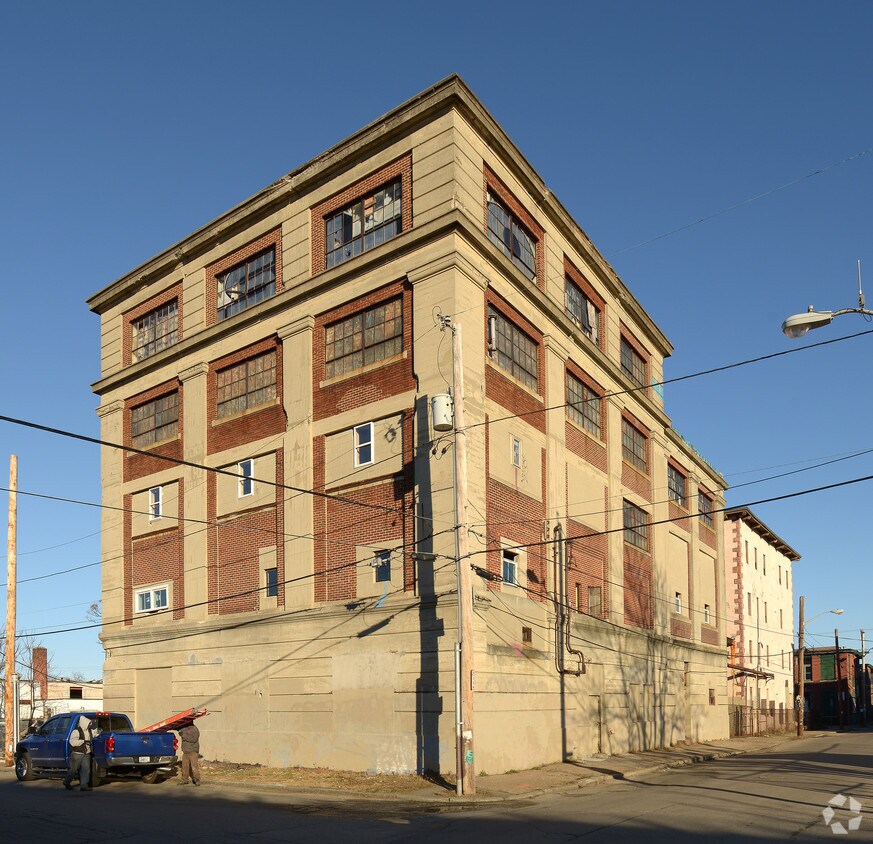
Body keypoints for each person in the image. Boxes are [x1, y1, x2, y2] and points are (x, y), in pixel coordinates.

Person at [63, 714, 98, 792]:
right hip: (77, 753)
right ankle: (66, 782)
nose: (90, 725)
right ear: (84, 723)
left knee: (86, 770)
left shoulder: (90, 731)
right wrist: (83, 741)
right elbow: (72, 742)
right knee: (73, 769)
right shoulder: (76, 731)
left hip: (86, 753)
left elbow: (96, 734)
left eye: (90, 724)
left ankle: (84, 786)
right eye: (88, 723)